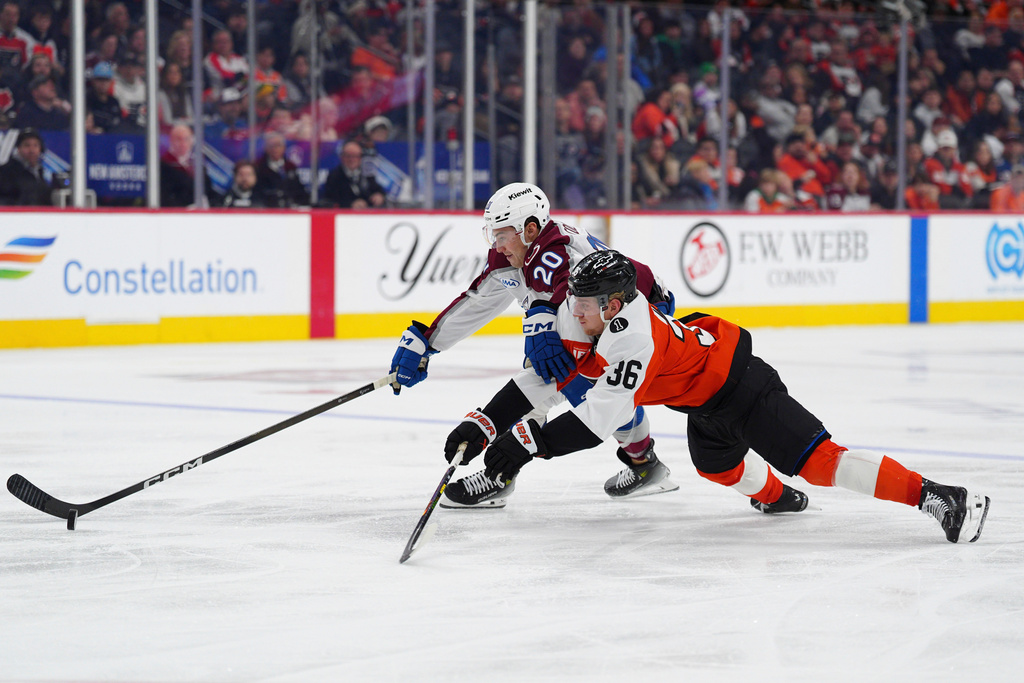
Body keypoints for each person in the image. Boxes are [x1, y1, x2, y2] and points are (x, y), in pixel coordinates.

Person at [478, 251, 991, 545]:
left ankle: (939, 496)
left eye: (583, 304)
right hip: (704, 399)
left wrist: (527, 443)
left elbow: (594, 422)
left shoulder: (632, 338)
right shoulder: (596, 315)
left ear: (613, 305)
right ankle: (778, 497)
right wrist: (485, 422)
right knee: (715, 465)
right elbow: (550, 379)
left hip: (743, 387)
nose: (573, 311)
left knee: (819, 463)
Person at [389, 183, 677, 508]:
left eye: (502, 235)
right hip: (592, 319)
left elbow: (569, 295)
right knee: (546, 374)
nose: (497, 245)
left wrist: (545, 317)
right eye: (493, 235)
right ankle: (504, 472)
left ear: (530, 229)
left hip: (643, 314)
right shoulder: (514, 255)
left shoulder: (560, 254)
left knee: (584, 386)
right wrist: (426, 342)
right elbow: (479, 302)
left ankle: (643, 463)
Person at [321, 141, 385, 209]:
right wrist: (350, 204)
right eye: (348, 156)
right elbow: (331, 199)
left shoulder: (367, 173)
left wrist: (379, 195)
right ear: (342, 157)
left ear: (360, 158)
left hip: (367, 212)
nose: (352, 159)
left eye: (355, 156)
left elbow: (377, 189)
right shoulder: (334, 176)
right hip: (344, 213)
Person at [255, 133, 308, 207]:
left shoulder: (290, 166)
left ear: (284, 148)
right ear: (266, 148)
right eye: (271, 146)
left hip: (289, 206)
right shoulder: (259, 166)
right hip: (267, 206)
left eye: (278, 145)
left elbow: (298, 190)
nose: (275, 149)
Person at [0, 128, 50, 206]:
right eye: (27, 145)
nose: (32, 150)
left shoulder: (39, 172)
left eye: (35, 145)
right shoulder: (6, 171)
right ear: (19, 148)